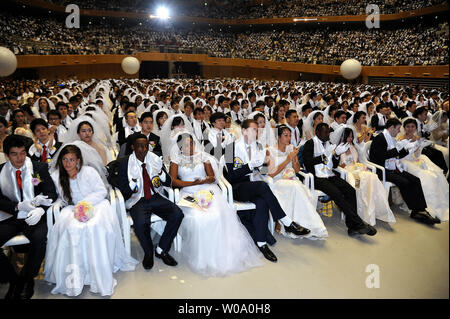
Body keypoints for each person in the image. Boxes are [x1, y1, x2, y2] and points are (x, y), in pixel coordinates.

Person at [44, 145, 138, 296]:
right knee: (72, 228)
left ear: (78, 161)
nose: (68, 163)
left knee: (94, 226)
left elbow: (101, 191)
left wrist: (85, 205)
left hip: (97, 205)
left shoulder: (88, 172)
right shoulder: (56, 176)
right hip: (72, 208)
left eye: (72, 160)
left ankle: (96, 271)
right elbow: (61, 199)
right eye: (65, 160)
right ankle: (77, 273)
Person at [169, 132, 262, 276]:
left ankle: (222, 251)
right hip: (188, 192)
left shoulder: (203, 157)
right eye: (186, 145)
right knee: (198, 218)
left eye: (192, 144)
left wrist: (206, 180)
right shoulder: (176, 160)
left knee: (218, 214)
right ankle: (203, 255)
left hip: (207, 189)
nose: (190, 147)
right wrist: (190, 183)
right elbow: (173, 181)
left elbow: (212, 177)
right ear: (181, 147)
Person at [223, 119, 310, 263]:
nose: (256, 133)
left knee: (262, 202)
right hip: (237, 187)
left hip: (253, 184)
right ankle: (286, 222)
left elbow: (263, 172)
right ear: (244, 131)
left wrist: (263, 163)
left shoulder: (257, 146)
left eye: (257, 130)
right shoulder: (230, 148)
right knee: (263, 187)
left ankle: (261, 244)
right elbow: (231, 176)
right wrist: (250, 166)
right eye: (253, 130)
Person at [0, 135, 57, 299]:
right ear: (7, 155)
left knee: (40, 238)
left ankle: (27, 278)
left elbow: (51, 193)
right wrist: (16, 206)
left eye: (23, 153)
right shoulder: (0, 172)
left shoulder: (38, 169)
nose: (19, 158)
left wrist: (40, 210)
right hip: (11, 216)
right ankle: (13, 278)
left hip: (34, 215)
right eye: (14, 154)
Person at [117, 133, 184, 270]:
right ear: (133, 147)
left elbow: (168, 182)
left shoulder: (155, 159)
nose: (143, 149)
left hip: (155, 196)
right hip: (137, 200)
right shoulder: (125, 162)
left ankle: (161, 249)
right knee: (141, 223)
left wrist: (161, 174)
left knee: (177, 214)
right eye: (139, 146)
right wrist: (131, 185)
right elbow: (122, 190)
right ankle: (148, 252)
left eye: (146, 146)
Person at [303, 123, 377, 236]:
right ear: (317, 133)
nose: (328, 134)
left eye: (328, 132)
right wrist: (324, 156)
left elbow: (334, 165)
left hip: (330, 175)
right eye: (325, 132)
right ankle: (358, 223)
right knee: (337, 194)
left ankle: (353, 226)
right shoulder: (310, 143)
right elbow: (307, 163)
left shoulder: (330, 144)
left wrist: (336, 155)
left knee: (351, 191)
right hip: (317, 178)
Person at [369, 118, 438, 225]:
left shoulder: (391, 138)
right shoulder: (380, 138)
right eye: (397, 129)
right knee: (404, 182)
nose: (398, 131)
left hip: (392, 167)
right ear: (391, 128)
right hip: (382, 169)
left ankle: (421, 209)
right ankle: (415, 210)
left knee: (415, 180)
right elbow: (379, 157)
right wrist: (397, 150)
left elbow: (396, 155)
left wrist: (407, 149)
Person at [267, 125, 328, 239]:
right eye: (286, 135)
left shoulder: (291, 148)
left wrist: (295, 160)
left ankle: (306, 225)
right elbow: (271, 173)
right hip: (277, 182)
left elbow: (296, 170)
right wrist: (288, 159)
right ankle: (291, 225)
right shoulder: (269, 151)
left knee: (298, 188)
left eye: (290, 135)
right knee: (296, 187)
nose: (288, 138)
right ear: (278, 137)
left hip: (291, 180)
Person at [330, 125, 396, 226]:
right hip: (346, 172)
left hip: (357, 169)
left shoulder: (353, 147)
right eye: (348, 137)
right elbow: (337, 166)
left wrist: (358, 165)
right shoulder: (337, 149)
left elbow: (358, 160)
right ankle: (359, 213)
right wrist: (347, 164)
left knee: (372, 177)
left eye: (352, 137)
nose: (350, 139)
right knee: (355, 183)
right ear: (343, 137)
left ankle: (374, 209)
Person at [397, 118, 448, 222]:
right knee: (425, 176)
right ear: (404, 128)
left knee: (436, 174)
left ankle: (440, 203)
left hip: (417, 160)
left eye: (412, 127)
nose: (410, 129)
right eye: (408, 127)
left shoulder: (417, 138)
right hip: (405, 162)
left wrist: (417, 149)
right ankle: (423, 206)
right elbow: (400, 155)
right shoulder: (401, 139)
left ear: (415, 128)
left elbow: (417, 155)